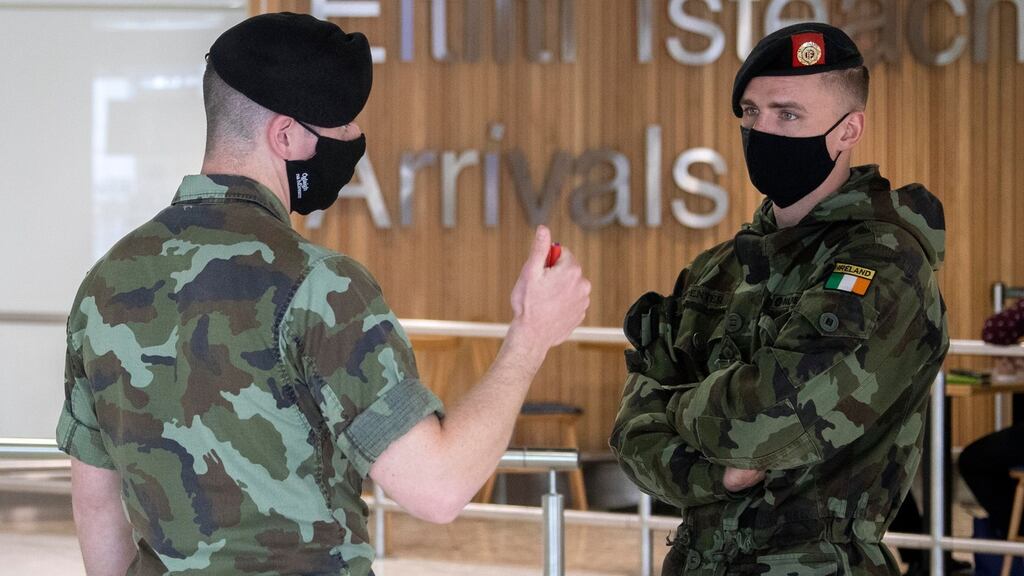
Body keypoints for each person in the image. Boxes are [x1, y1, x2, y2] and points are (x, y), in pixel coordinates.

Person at [56, 12, 590, 575]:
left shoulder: (106, 283)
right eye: (340, 126)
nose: (354, 141)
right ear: (285, 135)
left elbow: (97, 502)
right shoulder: (320, 286)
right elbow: (438, 487)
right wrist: (531, 335)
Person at [610, 22, 948, 575]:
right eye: (751, 112)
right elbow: (629, 432)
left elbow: (767, 423)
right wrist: (713, 473)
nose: (761, 128)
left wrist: (676, 409)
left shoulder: (883, 265)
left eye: (787, 114)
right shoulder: (716, 270)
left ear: (848, 130)